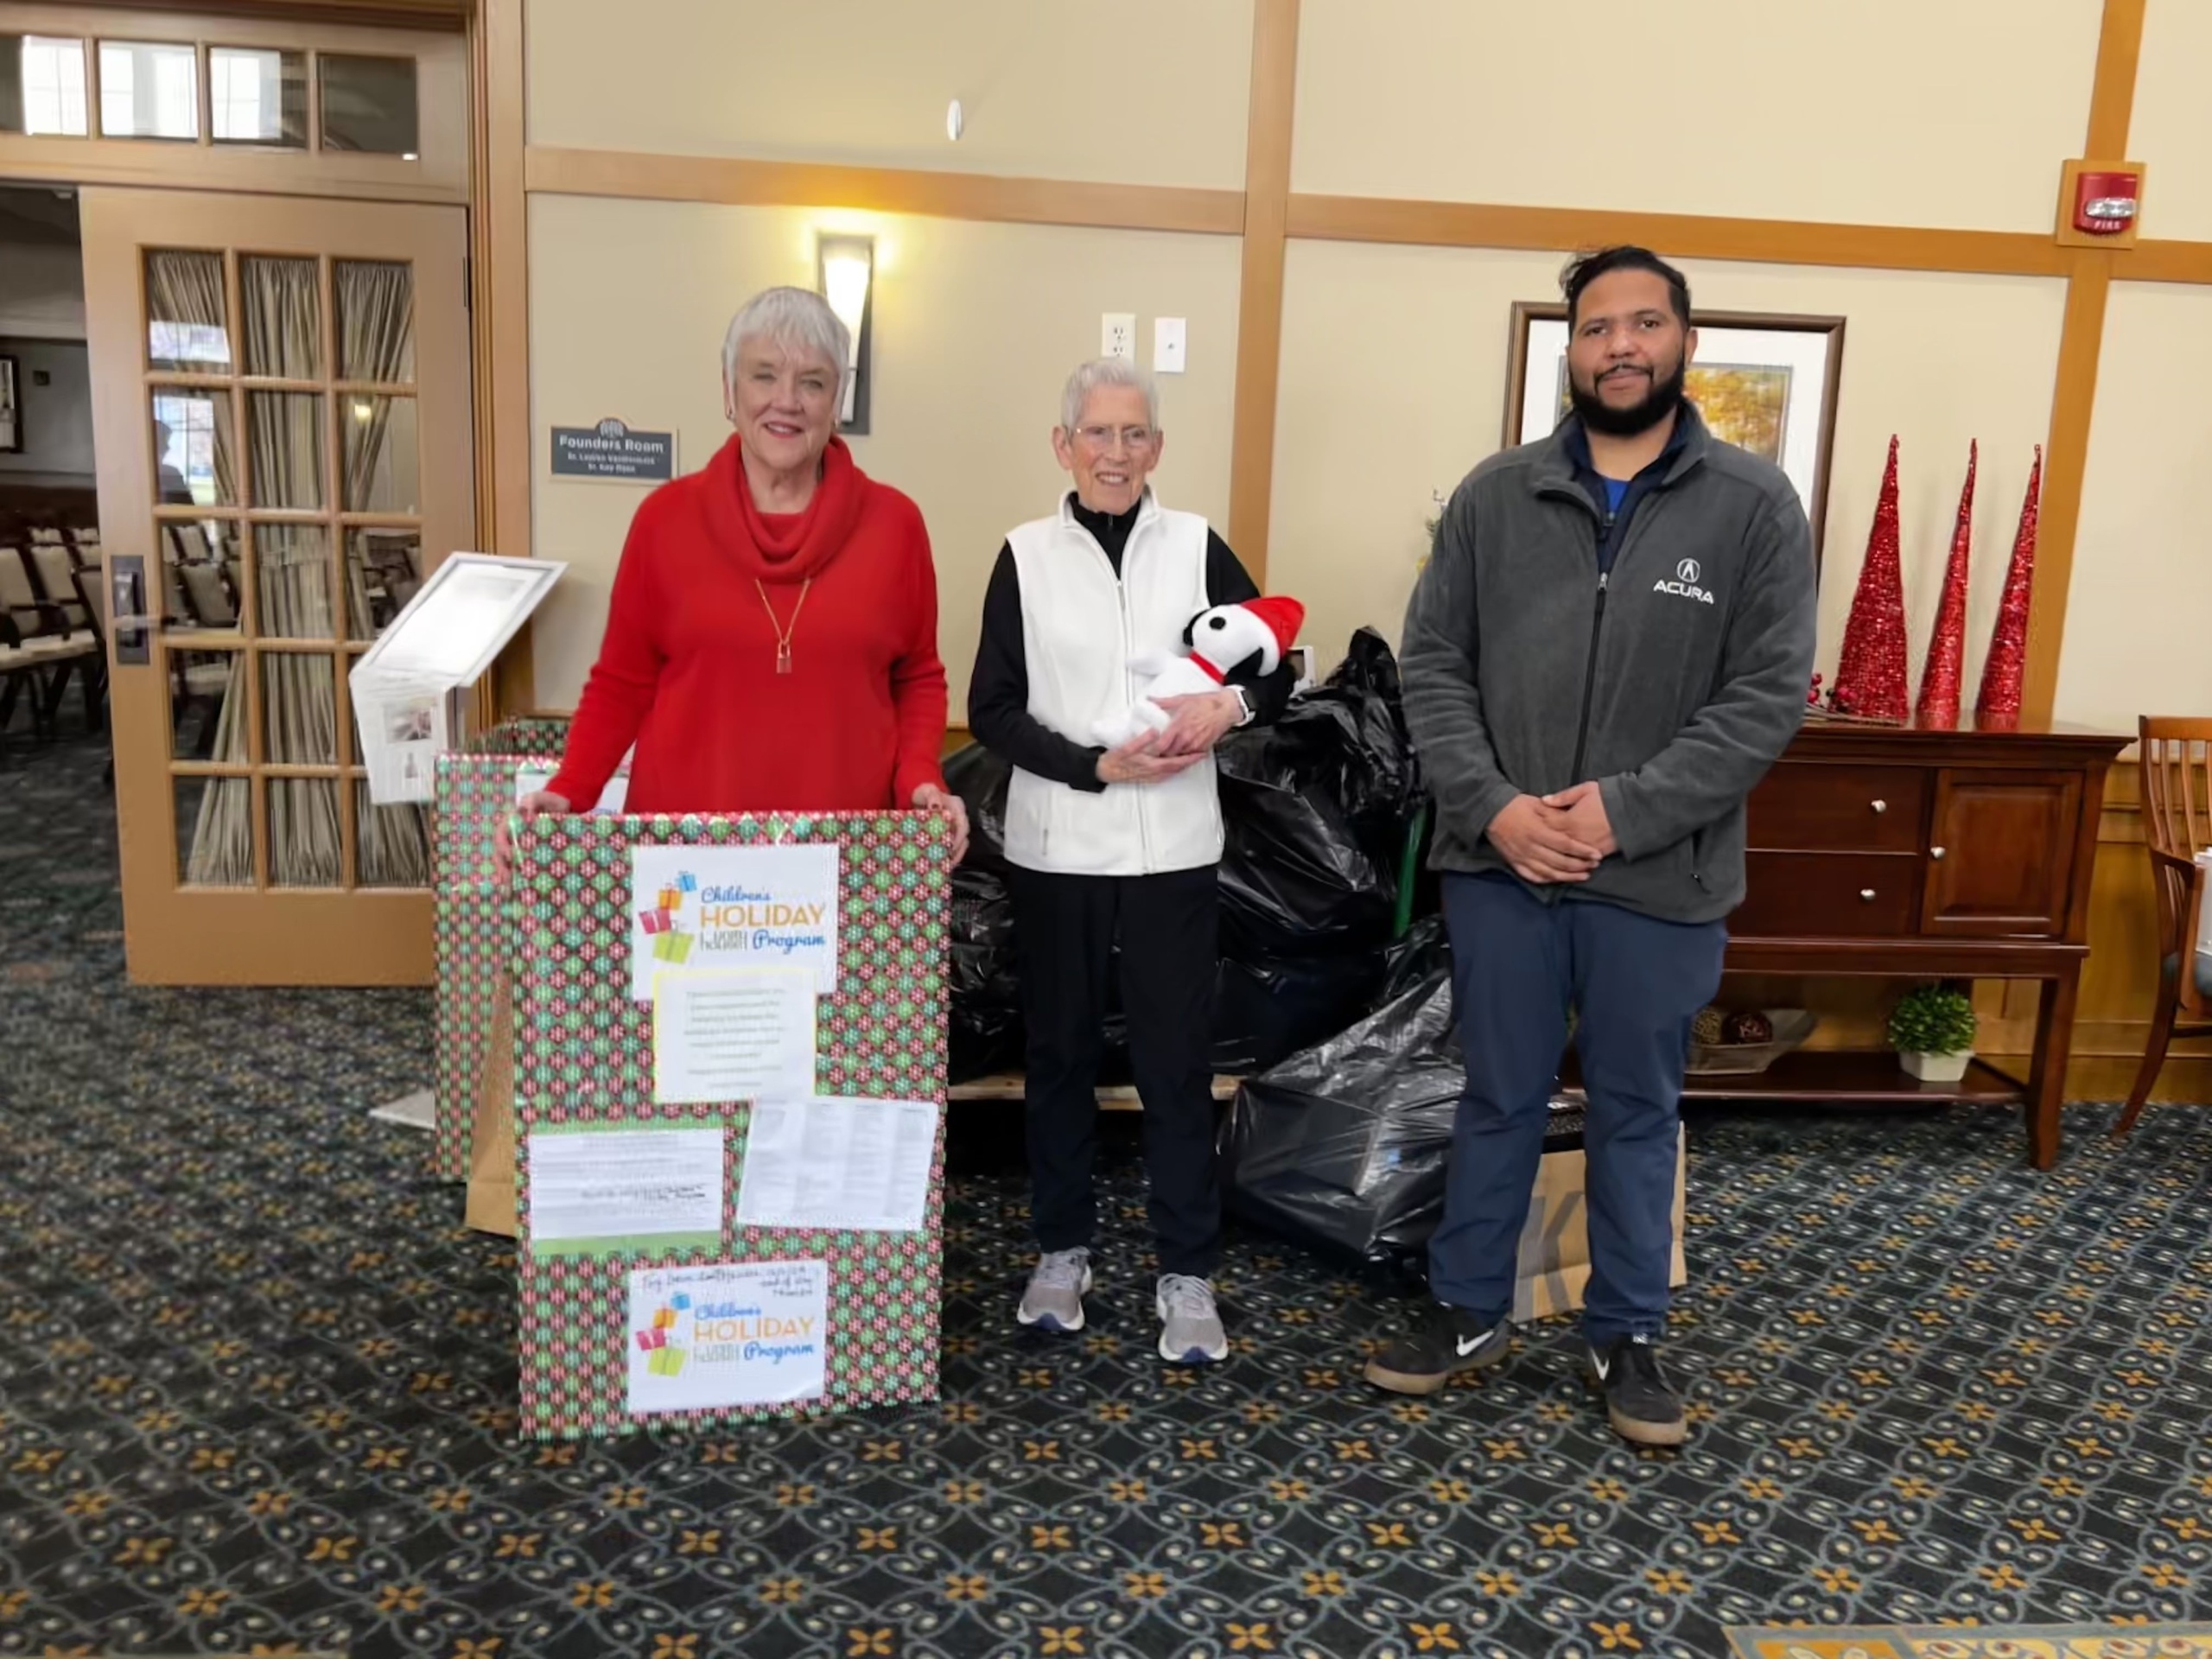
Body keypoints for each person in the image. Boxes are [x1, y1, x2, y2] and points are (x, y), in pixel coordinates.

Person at [1363, 247, 1816, 1445]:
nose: (1620, 345)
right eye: (1597, 328)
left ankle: (1628, 1331)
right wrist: (1499, 809)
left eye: (1644, 324)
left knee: (1634, 1106)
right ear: (1570, 351)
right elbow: (1433, 667)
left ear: (1684, 344)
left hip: (1660, 876)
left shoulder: (1753, 508)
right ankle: (1467, 1307)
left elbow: (1765, 699)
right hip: (1502, 864)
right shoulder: (1495, 497)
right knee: (1497, 1098)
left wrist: (1623, 808)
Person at [969, 357, 1294, 1364]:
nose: (1117, 454)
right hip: (1059, 845)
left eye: (1135, 435)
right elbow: (991, 710)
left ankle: (1185, 1272)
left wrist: (1228, 706)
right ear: (1062, 445)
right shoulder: (1023, 554)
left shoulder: (1196, 545)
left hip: (1173, 855)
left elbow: (1276, 664)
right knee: (1059, 1056)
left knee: (1173, 1064)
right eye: (1098, 435)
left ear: (1157, 446)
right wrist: (1090, 765)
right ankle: (1062, 1251)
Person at [494, 287, 966, 874]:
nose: (786, 401)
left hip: (843, 861)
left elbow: (917, 677)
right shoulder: (664, 521)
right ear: (728, 392)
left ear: (837, 399)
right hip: (686, 863)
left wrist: (920, 775)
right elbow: (623, 681)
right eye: (764, 376)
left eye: (813, 382)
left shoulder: (896, 525)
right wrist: (571, 789)